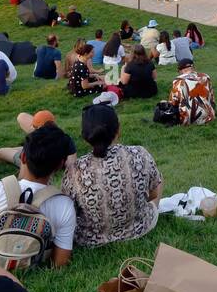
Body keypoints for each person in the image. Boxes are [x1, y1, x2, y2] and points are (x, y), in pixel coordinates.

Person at [0, 122, 77, 270]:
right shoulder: (64, 205)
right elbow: (60, 262)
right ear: (59, 166)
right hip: (29, 263)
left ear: (23, 157)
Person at [62, 104, 163, 248]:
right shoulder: (140, 154)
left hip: (91, 239)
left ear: (85, 136)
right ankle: (145, 212)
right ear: (118, 129)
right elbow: (153, 193)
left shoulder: (74, 171)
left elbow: (70, 213)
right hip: (139, 228)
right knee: (159, 178)